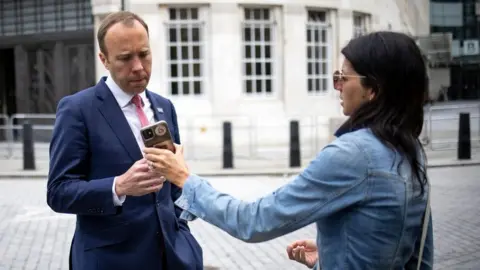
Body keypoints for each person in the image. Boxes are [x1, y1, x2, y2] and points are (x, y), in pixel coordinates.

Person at [143, 31, 434, 269]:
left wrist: (185, 179)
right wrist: (331, 257)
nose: (337, 86)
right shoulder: (410, 148)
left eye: (343, 78)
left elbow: (254, 221)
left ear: (374, 90)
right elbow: (418, 257)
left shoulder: (353, 154)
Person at [47, 11, 202, 270]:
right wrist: (118, 186)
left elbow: (172, 187)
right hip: (110, 260)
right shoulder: (77, 110)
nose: (138, 66)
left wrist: (183, 230)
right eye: (125, 58)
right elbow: (58, 192)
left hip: (172, 257)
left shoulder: (164, 106)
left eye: (144, 54)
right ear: (104, 60)